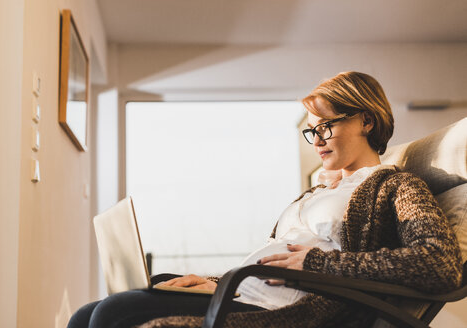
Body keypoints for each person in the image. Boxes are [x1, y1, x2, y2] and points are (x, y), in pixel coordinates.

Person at [68, 72, 463, 328]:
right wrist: (212, 282)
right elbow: (269, 259)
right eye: (312, 131)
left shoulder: (394, 186)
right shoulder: (315, 192)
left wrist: (317, 262)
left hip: (285, 313)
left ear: (366, 120)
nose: (318, 139)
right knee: (87, 314)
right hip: (240, 293)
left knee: (113, 314)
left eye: (326, 125)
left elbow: (439, 264)